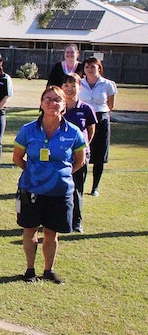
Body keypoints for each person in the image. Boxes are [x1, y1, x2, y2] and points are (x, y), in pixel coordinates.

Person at [13, 85, 86, 284]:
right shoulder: (28, 130)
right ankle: (29, 270)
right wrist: (34, 172)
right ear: (41, 103)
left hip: (59, 191)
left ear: (64, 106)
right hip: (31, 189)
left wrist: (61, 174)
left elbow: (80, 160)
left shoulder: (73, 132)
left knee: (51, 233)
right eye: (47, 98)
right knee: (29, 230)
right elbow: (18, 158)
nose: (52, 103)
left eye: (57, 100)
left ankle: (48, 270)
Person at [62, 73, 97, 233]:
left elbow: (90, 131)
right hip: (60, 155)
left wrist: (83, 149)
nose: (69, 89)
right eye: (66, 85)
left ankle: (76, 222)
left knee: (76, 188)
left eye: (73, 85)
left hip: (79, 156)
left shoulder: (86, 109)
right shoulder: (57, 107)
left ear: (79, 87)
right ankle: (60, 219)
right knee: (59, 187)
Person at [79, 56, 117, 196]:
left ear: (99, 68)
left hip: (101, 118)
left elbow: (111, 105)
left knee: (100, 154)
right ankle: (80, 185)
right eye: (87, 67)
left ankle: (95, 187)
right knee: (83, 151)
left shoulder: (107, 84)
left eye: (93, 67)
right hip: (84, 119)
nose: (89, 69)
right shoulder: (79, 83)